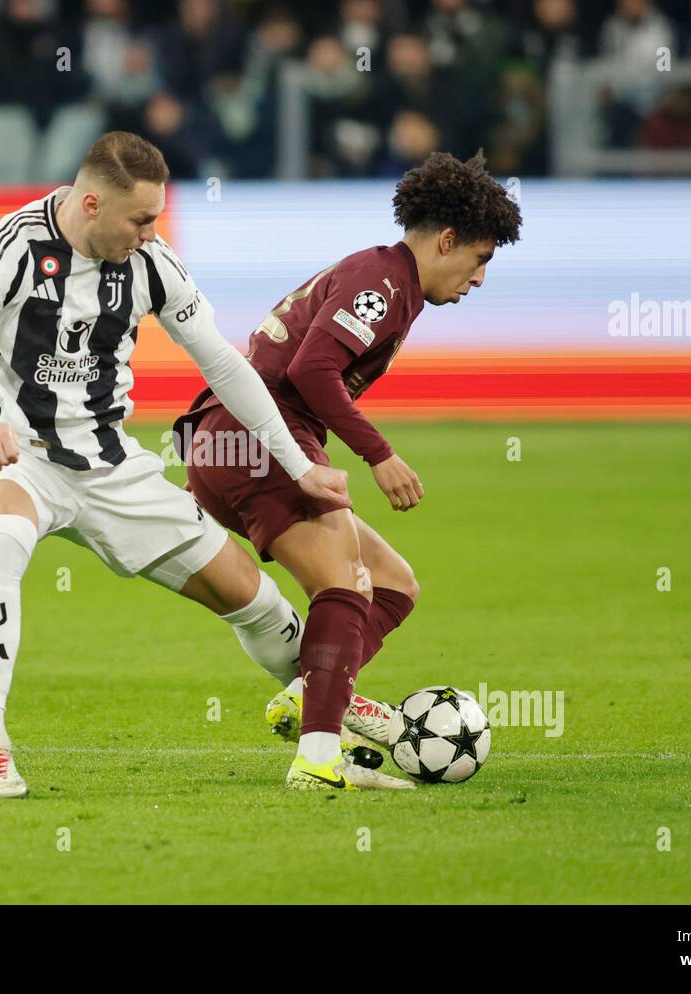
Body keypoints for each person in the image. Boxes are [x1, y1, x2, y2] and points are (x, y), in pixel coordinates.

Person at [0, 131, 410, 798]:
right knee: (2, 538)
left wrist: (298, 465)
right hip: (18, 451)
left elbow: (224, 364)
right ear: (91, 203)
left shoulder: (152, 263)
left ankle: (328, 716)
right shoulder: (14, 246)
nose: (151, 233)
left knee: (253, 598)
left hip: (114, 465)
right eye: (141, 219)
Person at [174, 150, 522, 790]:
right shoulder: (382, 286)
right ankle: (318, 758)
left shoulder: (387, 279)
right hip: (256, 438)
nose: (478, 279)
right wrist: (379, 454)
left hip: (234, 440)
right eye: (480, 259)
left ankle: (313, 696)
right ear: (447, 240)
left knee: (392, 583)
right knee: (344, 584)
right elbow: (311, 370)